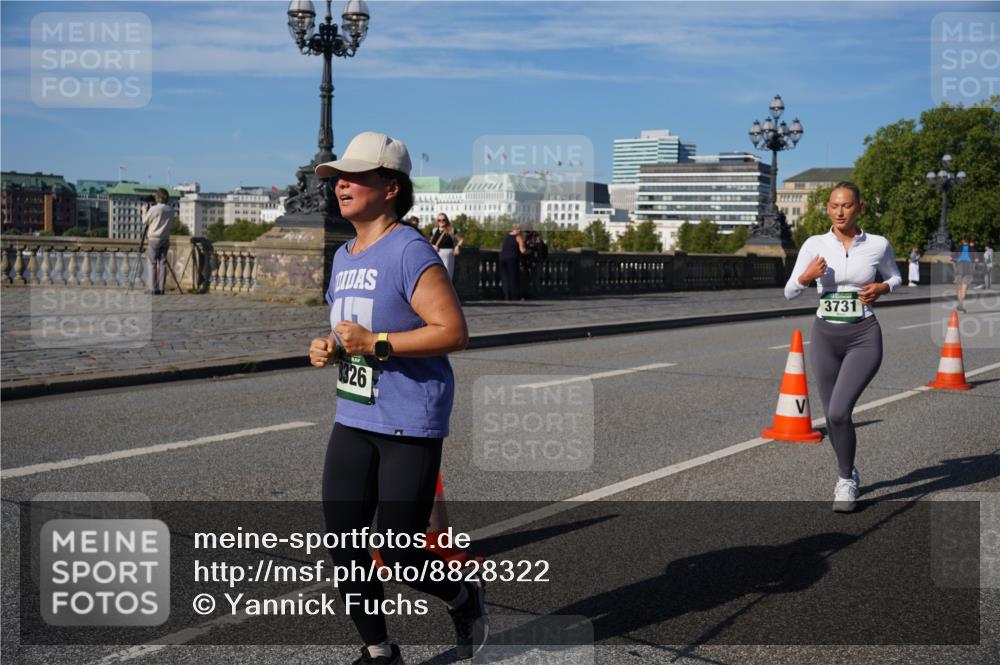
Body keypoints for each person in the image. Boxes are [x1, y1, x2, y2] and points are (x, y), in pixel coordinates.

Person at [308, 131, 486, 665]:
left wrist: (377, 344)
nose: (342, 184)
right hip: (355, 414)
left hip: (409, 419)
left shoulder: (411, 251)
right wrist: (332, 347)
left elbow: (453, 331)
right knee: (344, 546)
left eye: (356, 175)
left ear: (390, 188)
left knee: (403, 552)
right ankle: (379, 651)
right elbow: (352, 330)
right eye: (339, 177)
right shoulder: (344, 255)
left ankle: (462, 596)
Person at [783, 182, 901, 512]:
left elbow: (896, 278)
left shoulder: (877, 245)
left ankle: (845, 479)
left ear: (859, 208)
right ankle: (848, 472)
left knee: (838, 411)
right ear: (828, 208)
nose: (839, 211)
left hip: (863, 335)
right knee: (834, 417)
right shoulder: (814, 244)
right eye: (834, 205)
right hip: (824, 336)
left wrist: (882, 287)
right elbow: (789, 293)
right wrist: (806, 276)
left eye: (846, 206)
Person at [141, 188, 173, 295]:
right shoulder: (170, 209)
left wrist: (144, 211)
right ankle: (161, 288)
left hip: (154, 239)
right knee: (163, 264)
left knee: (152, 263)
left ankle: (153, 288)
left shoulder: (154, 209)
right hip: (165, 239)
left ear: (158, 197)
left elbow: (145, 221)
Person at [498, 224, 527, 300]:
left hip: (502, 258)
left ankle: (506, 296)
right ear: (517, 230)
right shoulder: (518, 237)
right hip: (512, 259)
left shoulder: (506, 237)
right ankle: (514, 296)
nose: (520, 231)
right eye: (519, 229)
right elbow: (522, 250)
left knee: (505, 278)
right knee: (513, 278)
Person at [430, 213, 456, 277]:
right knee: (436, 275)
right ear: (437, 221)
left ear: (446, 220)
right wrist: (433, 246)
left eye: (443, 220)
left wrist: (457, 246)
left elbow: (460, 240)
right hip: (436, 255)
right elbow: (429, 242)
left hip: (448, 256)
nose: (441, 221)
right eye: (439, 220)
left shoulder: (451, 230)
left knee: (447, 276)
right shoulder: (434, 230)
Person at [954, 237, 973, 311]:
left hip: (959, 270)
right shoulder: (972, 250)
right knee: (964, 288)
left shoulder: (958, 249)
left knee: (959, 288)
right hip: (968, 271)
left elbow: (951, 257)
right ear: (968, 242)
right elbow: (977, 259)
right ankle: (961, 304)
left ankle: (959, 304)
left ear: (963, 241)